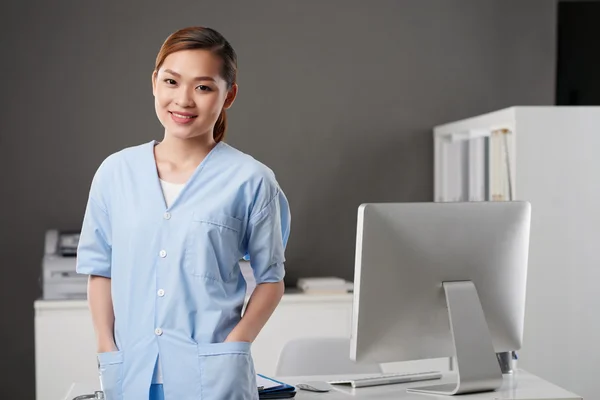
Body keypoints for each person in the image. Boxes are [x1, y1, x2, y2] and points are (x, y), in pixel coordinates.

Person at [76, 26, 291, 400]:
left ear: (229, 96)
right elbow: (101, 269)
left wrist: (234, 347)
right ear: (155, 84)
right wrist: (105, 346)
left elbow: (270, 279)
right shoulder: (116, 172)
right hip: (131, 371)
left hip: (212, 376)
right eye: (172, 81)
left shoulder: (251, 180)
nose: (184, 100)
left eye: (203, 87)